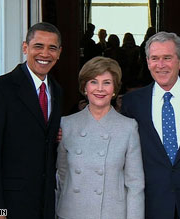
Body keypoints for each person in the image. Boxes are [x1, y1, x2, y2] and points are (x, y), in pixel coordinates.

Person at [121, 31, 180, 219]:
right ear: (148, 62)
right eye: (154, 58)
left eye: (167, 58)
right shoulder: (133, 103)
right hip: (153, 204)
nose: (161, 65)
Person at [0, 22, 62, 219]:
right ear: (25, 48)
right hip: (10, 208)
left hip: (44, 207)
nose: (45, 54)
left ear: (59, 53)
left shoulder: (57, 91)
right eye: (38, 46)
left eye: (52, 48)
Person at [56, 56, 145, 219]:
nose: (100, 89)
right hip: (72, 212)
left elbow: (135, 184)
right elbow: (62, 174)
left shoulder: (128, 127)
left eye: (107, 82)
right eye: (93, 82)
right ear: (84, 88)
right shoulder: (66, 124)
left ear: (114, 90)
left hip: (111, 214)